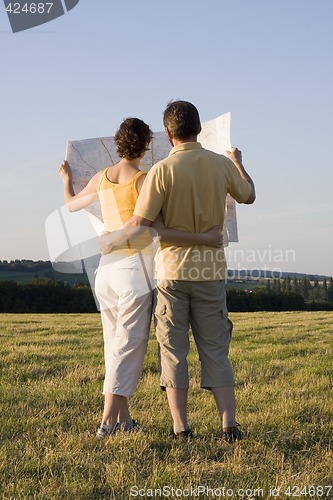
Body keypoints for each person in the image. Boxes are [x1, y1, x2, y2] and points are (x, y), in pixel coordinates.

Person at [58, 117, 223, 439]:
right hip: (136, 269)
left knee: (114, 345)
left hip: (105, 270)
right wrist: (204, 237)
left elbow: (71, 206)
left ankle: (124, 420)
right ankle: (107, 423)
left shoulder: (102, 177)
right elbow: (157, 229)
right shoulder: (147, 179)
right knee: (129, 346)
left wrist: (65, 179)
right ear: (146, 145)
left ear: (117, 143)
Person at [101, 102, 255, 442]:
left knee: (172, 350)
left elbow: (142, 223)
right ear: (199, 129)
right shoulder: (221, 165)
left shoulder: (160, 171)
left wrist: (112, 238)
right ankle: (228, 425)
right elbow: (249, 196)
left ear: (168, 135)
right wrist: (238, 164)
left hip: (171, 272)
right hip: (210, 272)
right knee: (216, 348)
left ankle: (181, 428)